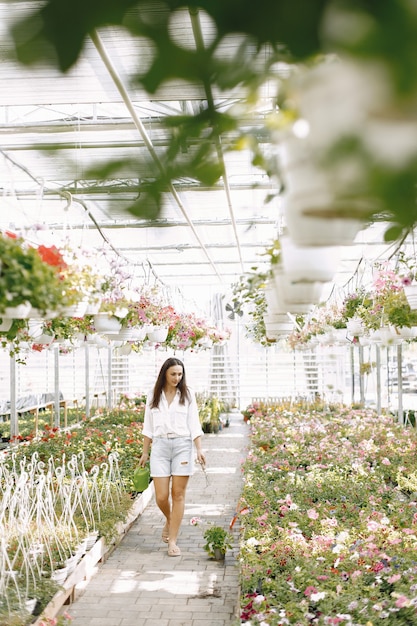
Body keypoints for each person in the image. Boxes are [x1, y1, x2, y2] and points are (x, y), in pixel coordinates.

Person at [138, 357, 206, 557]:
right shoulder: (153, 394)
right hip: (159, 446)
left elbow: (194, 423)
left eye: (180, 374)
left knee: (178, 494)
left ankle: (173, 541)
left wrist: (199, 449)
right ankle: (170, 519)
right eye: (173, 374)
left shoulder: (187, 394)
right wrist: (145, 451)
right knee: (160, 496)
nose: (177, 378)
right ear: (164, 374)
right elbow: (147, 426)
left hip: (182, 446)